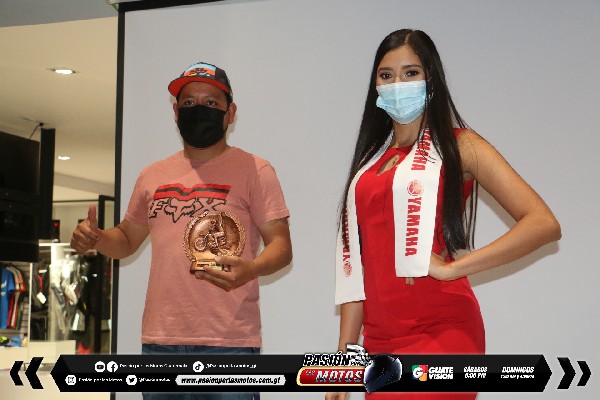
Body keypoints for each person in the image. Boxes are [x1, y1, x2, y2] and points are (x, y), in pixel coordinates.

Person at [327, 29, 561, 400]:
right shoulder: (369, 165)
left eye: (410, 73)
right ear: (375, 85)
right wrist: (342, 362)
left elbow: (543, 224)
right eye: (386, 75)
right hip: (380, 342)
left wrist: (454, 268)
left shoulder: (459, 146)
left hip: (443, 330)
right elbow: (357, 267)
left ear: (431, 81)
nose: (398, 84)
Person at [71, 61, 292, 400]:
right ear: (175, 112)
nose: (198, 109)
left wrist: (251, 269)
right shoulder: (152, 175)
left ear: (230, 113)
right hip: (160, 344)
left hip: (228, 344)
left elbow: (281, 246)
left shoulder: (255, 170)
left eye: (211, 102)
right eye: (189, 103)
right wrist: (97, 238)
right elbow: (126, 240)